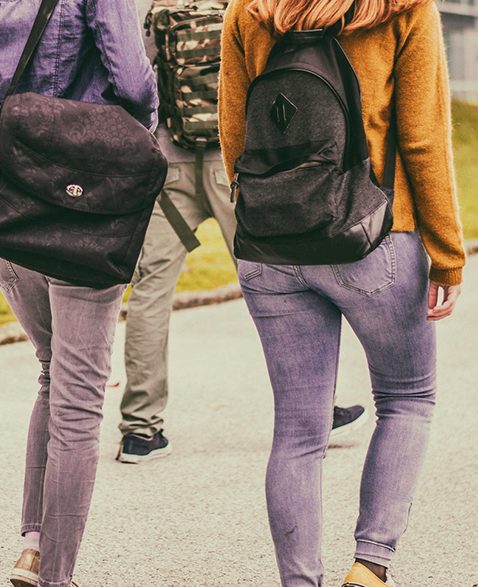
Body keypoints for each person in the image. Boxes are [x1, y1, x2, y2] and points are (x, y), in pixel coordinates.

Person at [220, 0, 464, 587]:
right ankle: (371, 568)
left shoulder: (252, 10)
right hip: (373, 236)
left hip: (269, 243)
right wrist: (445, 251)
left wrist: (268, 212)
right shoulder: (402, 8)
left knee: (297, 430)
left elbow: (232, 132)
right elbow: (420, 137)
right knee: (407, 399)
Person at [0, 0, 158, 587]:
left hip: (3, 196)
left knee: (52, 374)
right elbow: (135, 83)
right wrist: (128, 156)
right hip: (81, 196)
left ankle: (35, 548)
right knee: (80, 394)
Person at [118, 0, 366, 464]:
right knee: (282, 286)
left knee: (151, 293)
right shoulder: (242, 8)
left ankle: (140, 430)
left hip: (169, 167)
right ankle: (316, 409)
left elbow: (135, 79)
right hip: (231, 165)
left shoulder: (153, 10)